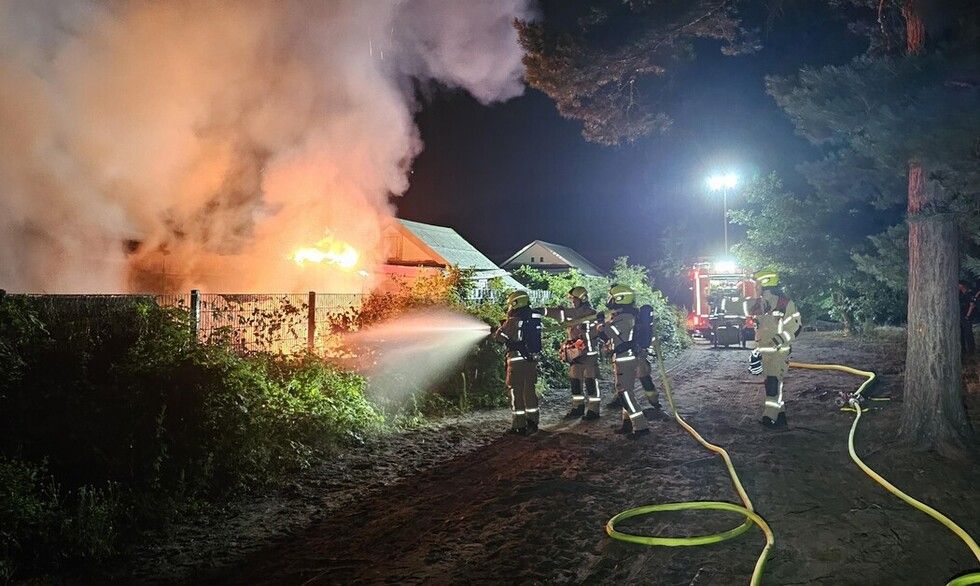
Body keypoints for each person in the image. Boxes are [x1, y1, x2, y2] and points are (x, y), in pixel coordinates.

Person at [723, 268, 803, 428]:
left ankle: (770, 417)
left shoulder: (785, 304)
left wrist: (779, 340)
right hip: (765, 352)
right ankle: (780, 417)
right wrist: (724, 299)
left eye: (757, 285)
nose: (756, 288)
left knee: (773, 383)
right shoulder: (759, 304)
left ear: (765, 284)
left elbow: (796, 327)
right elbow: (737, 307)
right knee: (773, 383)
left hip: (779, 351)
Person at [596, 284, 650, 437]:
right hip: (625, 358)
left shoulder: (624, 318)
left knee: (624, 394)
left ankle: (640, 427)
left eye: (612, 297)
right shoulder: (627, 315)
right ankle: (627, 423)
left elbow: (607, 334)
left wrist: (600, 323)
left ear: (619, 299)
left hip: (624, 360)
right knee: (626, 392)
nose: (609, 300)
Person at [544, 286, 602, 420]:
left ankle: (593, 410)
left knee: (590, 382)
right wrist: (543, 311)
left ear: (582, 299)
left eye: (574, 299)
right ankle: (578, 408)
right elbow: (560, 313)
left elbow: (593, 332)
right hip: (575, 355)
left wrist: (584, 330)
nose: (572, 302)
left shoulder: (591, 314)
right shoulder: (573, 312)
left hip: (588, 355)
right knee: (575, 381)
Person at [492, 291, 542, 435]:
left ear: (515, 303)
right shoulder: (534, 316)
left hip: (516, 361)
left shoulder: (513, 320)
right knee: (529, 390)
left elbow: (499, 337)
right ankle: (533, 422)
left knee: (516, 392)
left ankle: (519, 425)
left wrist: (498, 329)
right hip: (531, 360)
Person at [959, 280, 975, 355]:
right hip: (962, 317)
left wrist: (967, 316)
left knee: (968, 334)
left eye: (959, 285)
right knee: (962, 334)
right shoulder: (960, 294)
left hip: (967, 317)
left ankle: (971, 351)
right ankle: (963, 350)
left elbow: (972, 305)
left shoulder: (969, 294)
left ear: (962, 285)